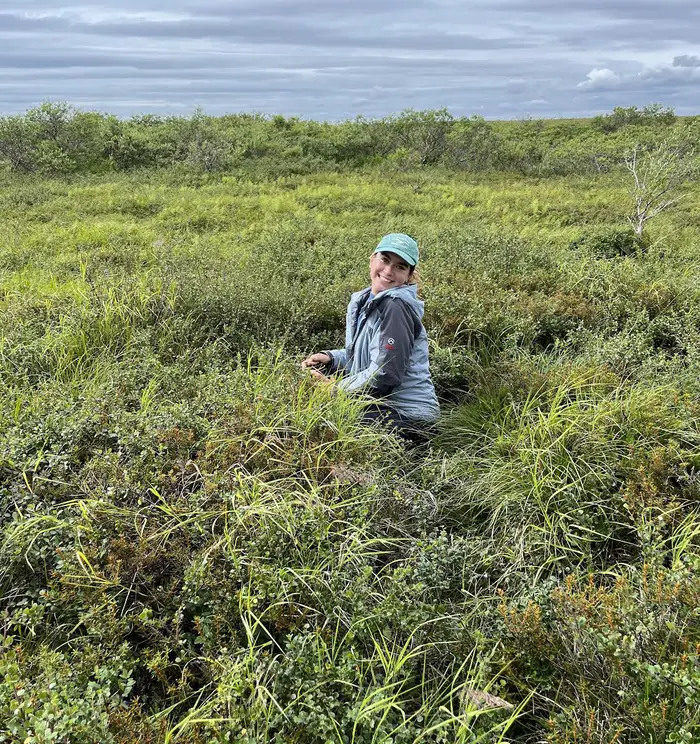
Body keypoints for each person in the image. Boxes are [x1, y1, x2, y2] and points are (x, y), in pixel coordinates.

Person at [301, 233, 439, 439]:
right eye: (385, 260)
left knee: (327, 422)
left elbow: (385, 374)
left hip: (408, 417)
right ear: (372, 259)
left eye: (400, 267)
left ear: (409, 276)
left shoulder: (395, 307)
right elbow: (367, 355)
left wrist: (335, 389)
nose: (388, 271)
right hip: (385, 408)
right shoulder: (368, 301)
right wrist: (331, 358)